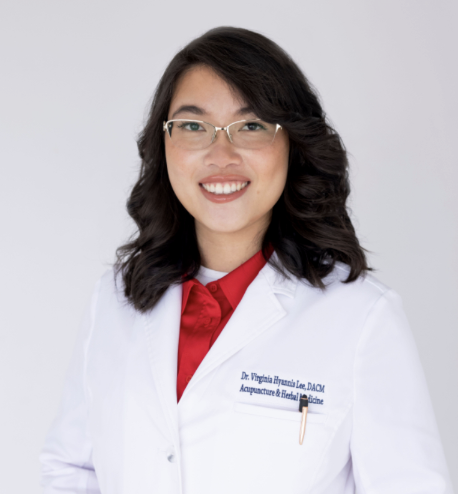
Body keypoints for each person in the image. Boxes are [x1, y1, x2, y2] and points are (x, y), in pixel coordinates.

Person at [40, 26, 454, 493]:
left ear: (293, 143)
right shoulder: (115, 299)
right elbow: (71, 471)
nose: (221, 155)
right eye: (193, 126)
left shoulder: (362, 318)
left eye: (251, 126)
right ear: (164, 144)